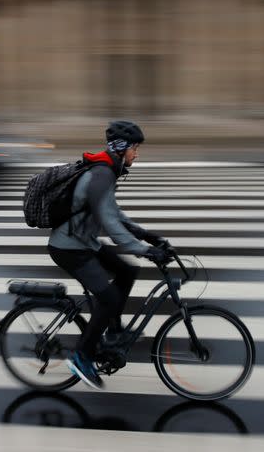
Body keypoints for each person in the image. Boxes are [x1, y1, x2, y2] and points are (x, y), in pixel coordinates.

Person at [47, 120, 170, 390]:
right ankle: (82, 357)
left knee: (127, 271)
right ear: (121, 147)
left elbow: (113, 214)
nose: (137, 154)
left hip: (83, 242)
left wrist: (148, 235)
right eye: (134, 148)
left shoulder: (107, 171)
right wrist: (145, 250)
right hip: (69, 248)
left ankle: (114, 330)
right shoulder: (102, 174)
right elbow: (111, 224)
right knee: (109, 297)